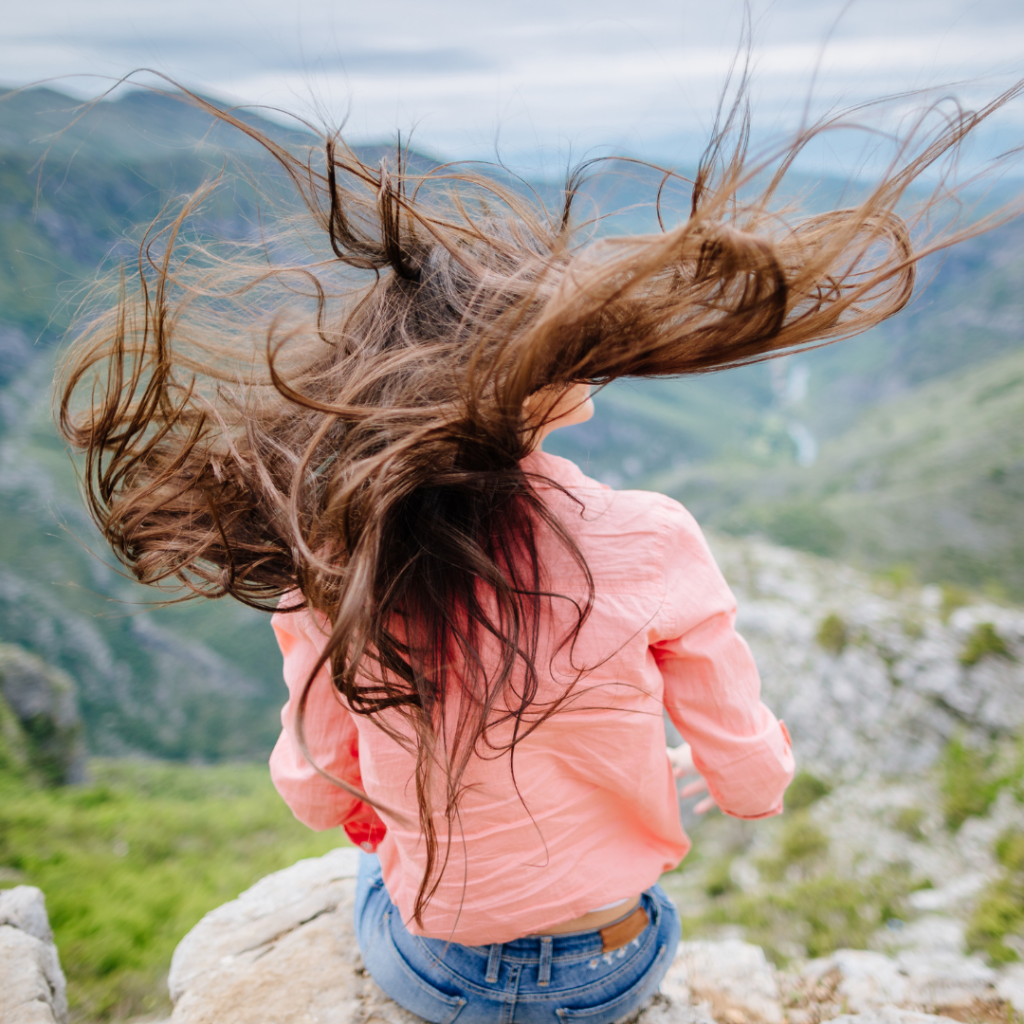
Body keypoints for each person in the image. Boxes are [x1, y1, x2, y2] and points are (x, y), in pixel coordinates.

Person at [57, 78, 1022, 1024]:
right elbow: (757, 780)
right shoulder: (652, 537)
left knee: (364, 872)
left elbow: (316, 792)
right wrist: (694, 771)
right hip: (615, 967)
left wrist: (390, 818)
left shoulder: (331, 556)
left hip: (442, 974)